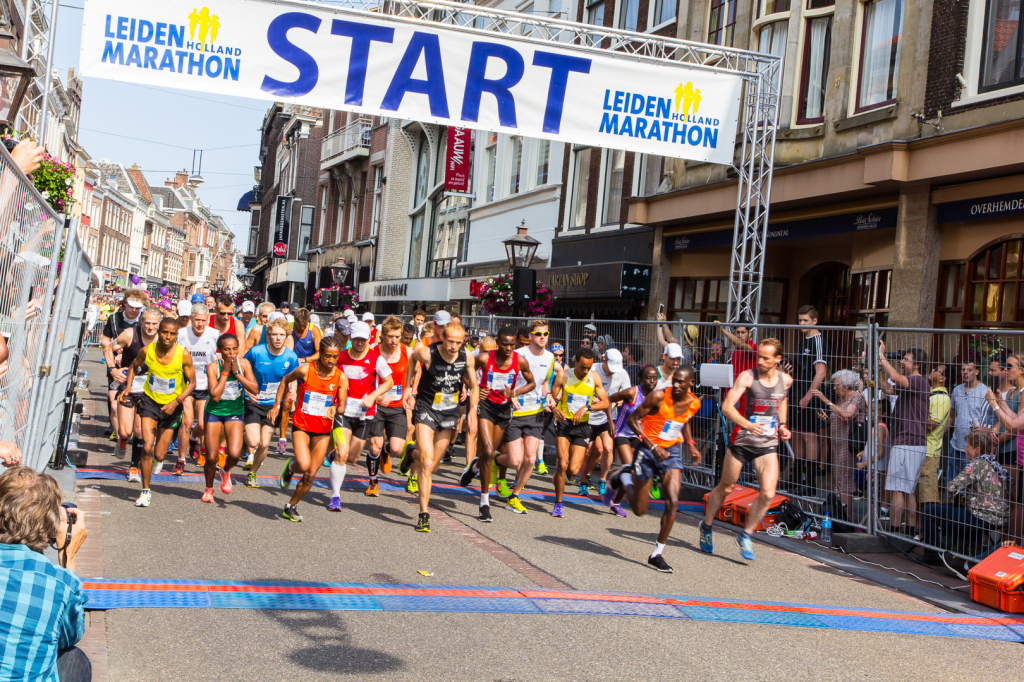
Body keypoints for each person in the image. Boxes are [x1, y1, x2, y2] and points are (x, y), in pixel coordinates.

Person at [701, 338, 792, 561]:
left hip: (767, 444)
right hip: (742, 440)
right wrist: (747, 424)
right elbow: (726, 406)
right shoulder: (748, 377)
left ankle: (745, 534)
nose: (759, 361)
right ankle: (706, 526)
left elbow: (781, 401)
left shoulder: (786, 380)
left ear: (777, 359)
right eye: (758, 356)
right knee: (726, 487)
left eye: (765, 358)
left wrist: (783, 425)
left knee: (769, 492)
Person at [0, 467, 91, 682]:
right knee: (74, 660)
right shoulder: (59, 582)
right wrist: (68, 556)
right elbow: (68, 636)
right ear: (49, 525)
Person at [609, 366, 701, 572]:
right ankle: (625, 477)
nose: (675, 385)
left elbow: (683, 420)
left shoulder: (694, 402)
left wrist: (691, 444)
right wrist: (653, 446)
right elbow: (633, 421)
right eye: (673, 380)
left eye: (680, 382)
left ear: (691, 384)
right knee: (640, 510)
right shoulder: (659, 397)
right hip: (648, 449)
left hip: (671, 452)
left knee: (673, 500)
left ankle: (656, 554)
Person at [403, 322, 479, 532]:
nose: (454, 346)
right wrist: (409, 389)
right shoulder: (428, 353)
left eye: (458, 342)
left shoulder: (467, 356)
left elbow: (475, 385)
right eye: (450, 342)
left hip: (449, 412)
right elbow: (412, 359)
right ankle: (423, 514)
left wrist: (472, 411)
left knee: (434, 465)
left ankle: (412, 453)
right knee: (427, 464)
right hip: (426, 408)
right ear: (442, 339)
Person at [459, 327, 535, 521]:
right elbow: (464, 373)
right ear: (498, 343)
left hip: (503, 410)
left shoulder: (520, 361)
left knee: (487, 454)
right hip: (485, 406)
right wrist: (474, 387)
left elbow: (532, 383)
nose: (509, 348)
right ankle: (484, 503)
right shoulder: (485, 359)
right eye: (505, 344)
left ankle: (475, 465)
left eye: (512, 344)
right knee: (489, 450)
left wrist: (515, 393)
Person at [120, 317, 197, 507]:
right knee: (147, 445)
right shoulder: (147, 351)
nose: (167, 336)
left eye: (172, 333)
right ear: (158, 332)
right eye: (164, 332)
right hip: (150, 401)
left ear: (176, 335)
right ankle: (145, 491)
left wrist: (177, 401)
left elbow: (192, 383)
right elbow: (133, 367)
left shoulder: (183, 355)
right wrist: (128, 387)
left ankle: (158, 459)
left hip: (172, 405)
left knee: (160, 454)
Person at [274, 336, 348, 522]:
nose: (331, 361)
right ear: (320, 355)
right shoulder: (307, 370)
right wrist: (278, 404)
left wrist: (335, 408)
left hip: (322, 430)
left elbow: (342, 407)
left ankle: (290, 506)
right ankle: (291, 467)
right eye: (327, 356)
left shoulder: (340, 378)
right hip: (302, 426)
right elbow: (285, 380)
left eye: (335, 357)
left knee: (310, 475)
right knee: (304, 464)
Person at [328, 321, 394, 507]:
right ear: (349, 338)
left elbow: (388, 381)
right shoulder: (339, 357)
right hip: (343, 412)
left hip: (365, 415)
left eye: (363, 340)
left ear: (368, 339)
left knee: (352, 458)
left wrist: (374, 396)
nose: (359, 343)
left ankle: (335, 456)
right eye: (356, 339)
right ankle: (335, 497)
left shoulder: (375, 359)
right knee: (343, 453)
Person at [921, 430, 1009, 565]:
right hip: (998, 517)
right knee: (947, 508)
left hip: (980, 517)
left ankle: (932, 555)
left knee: (929, 510)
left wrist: (961, 493)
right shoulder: (994, 463)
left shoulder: (977, 464)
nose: (964, 449)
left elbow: (951, 488)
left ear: (977, 450)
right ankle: (957, 550)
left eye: (967, 446)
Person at [549, 348, 610, 518]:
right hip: (564, 423)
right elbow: (552, 399)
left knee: (573, 470)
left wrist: (586, 407)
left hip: (582, 426)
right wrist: (554, 409)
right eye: (583, 367)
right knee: (562, 463)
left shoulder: (594, 378)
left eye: (588, 368)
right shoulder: (564, 376)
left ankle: (561, 475)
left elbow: (605, 402)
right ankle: (558, 504)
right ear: (576, 361)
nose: (585, 371)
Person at [878, 343, 929, 536]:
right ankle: (908, 531)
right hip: (910, 441)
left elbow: (894, 378)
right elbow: (888, 388)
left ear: (916, 365)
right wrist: (877, 369)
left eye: (906, 359)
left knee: (897, 488)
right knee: (907, 489)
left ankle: (895, 531)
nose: (901, 361)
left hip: (908, 441)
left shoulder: (918, 381)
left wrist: (882, 356)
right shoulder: (911, 383)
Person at [503, 319, 556, 508]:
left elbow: (543, 383)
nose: (543, 337)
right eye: (539, 334)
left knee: (530, 459)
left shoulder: (550, 358)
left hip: (535, 413)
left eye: (546, 334)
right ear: (531, 336)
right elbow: (505, 379)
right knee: (515, 459)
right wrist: (511, 396)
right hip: (514, 412)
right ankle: (493, 461)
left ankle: (514, 496)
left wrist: (548, 395)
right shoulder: (517, 355)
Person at [240, 318, 299, 487]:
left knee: (264, 443)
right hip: (254, 400)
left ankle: (252, 473)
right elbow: (242, 368)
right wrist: (246, 391)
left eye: (282, 335)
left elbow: (292, 378)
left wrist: (293, 392)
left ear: (286, 336)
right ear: (268, 335)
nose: (278, 338)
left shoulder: (291, 356)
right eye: (274, 335)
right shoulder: (256, 352)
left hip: (274, 404)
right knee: (253, 442)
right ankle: (246, 442)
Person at [107, 306, 162, 481]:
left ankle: (133, 468)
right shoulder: (130, 334)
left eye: (154, 324)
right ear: (142, 321)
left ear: (159, 324)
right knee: (125, 431)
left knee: (140, 432)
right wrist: (113, 370)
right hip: (129, 386)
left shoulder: (163, 338)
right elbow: (109, 348)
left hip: (149, 389)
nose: (151, 327)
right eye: (147, 323)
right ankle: (122, 441)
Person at [201, 334, 258, 503]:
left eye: (234, 349)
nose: (231, 353)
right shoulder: (213, 367)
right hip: (214, 413)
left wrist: (237, 374)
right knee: (211, 457)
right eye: (227, 349)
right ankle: (209, 488)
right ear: (220, 350)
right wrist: (225, 373)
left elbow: (254, 389)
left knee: (233, 454)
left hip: (234, 412)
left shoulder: (244, 364)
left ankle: (225, 470)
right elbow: (215, 396)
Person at [605, 365, 660, 517]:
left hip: (638, 435)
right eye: (648, 378)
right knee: (629, 467)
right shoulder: (632, 392)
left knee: (633, 471)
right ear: (641, 378)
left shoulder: (656, 397)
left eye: (655, 378)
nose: (652, 381)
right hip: (621, 432)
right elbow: (609, 400)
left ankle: (615, 502)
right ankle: (612, 486)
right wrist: (610, 422)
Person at [812, 369, 867, 512]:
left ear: (847, 385)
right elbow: (840, 418)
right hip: (838, 444)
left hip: (848, 445)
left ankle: (846, 518)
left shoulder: (857, 397)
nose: (834, 388)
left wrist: (826, 401)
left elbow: (848, 415)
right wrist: (828, 419)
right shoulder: (842, 398)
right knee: (840, 479)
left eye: (837, 385)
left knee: (845, 481)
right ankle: (842, 516)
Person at [176, 303, 220, 475]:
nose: (200, 324)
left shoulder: (215, 334)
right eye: (197, 320)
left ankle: (194, 438)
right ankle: (180, 460)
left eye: (203, 320)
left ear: (207, 320)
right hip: (186, 382)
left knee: (201, 424)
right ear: (191, 319)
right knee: (187, 421)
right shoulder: (181, 334)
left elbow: (220, 358)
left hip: (204, 383)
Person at [580, 348, 631, 496]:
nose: (613, 372)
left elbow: (628, 395)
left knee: (607, 449)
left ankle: (602, 479)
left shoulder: (622, 373)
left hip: (607, 417)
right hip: (589, 416)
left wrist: (615, 402)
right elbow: (579, 388)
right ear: (603, 360)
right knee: (591, 450)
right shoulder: (592, 369)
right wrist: (591, 399)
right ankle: (583, 481)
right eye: (610, 368)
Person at [372, 316, 413, 492]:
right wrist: (378, 397)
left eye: (398, 336)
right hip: (377, 404)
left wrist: (411, 391)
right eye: (390, 336)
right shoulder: (373, 351)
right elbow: (365, 379)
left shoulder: (407, 352)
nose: (394, 340)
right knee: (375, 445)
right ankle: (373, 483)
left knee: (397, 449)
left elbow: (416, 372)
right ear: (383, 335)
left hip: (397, 405)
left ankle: (386, 451)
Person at [791, 305, 829, 493]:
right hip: (796, 392)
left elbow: (820, 372)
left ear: (814, 321)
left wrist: (808, 396)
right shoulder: (802, 342)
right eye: (799, 320)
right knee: (797, 434)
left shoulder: (818, 341)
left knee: (810, 436)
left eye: (805, 320)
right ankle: (797, 477)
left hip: (810, 395)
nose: (802, 324)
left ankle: (811, 483)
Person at [101, 290, 144, 439]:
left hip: (139, 369)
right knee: (114, 404)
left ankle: (129, 430)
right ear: (125, 303)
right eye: (131, 306)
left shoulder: (145, 321)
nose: (134, 311)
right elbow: (104, 340)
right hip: (117, 366)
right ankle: (119, 436)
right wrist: (116, 352)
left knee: (135, 405)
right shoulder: (114, 319)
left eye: (138, 308)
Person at [948, 360, 995, 484]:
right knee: (952, 483)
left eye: (969, 370)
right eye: (963, 369)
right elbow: (952, 416)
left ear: (977, 371)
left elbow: (989, 419)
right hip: (955, 444)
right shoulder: (957, 390)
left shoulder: (985, 391)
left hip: (973, 447)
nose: (965, 372)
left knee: (967, 487)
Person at [919, 363, 951, 508]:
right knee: (920, 494)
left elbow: (931, 425)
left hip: (930, 452)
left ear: (943, 378)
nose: (932, 371)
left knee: (928, 496)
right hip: (922, 448)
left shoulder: (942, 398)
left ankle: (931, 528)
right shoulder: (932, 393)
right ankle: (919, 529)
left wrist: (918, 408)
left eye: (937, 370)